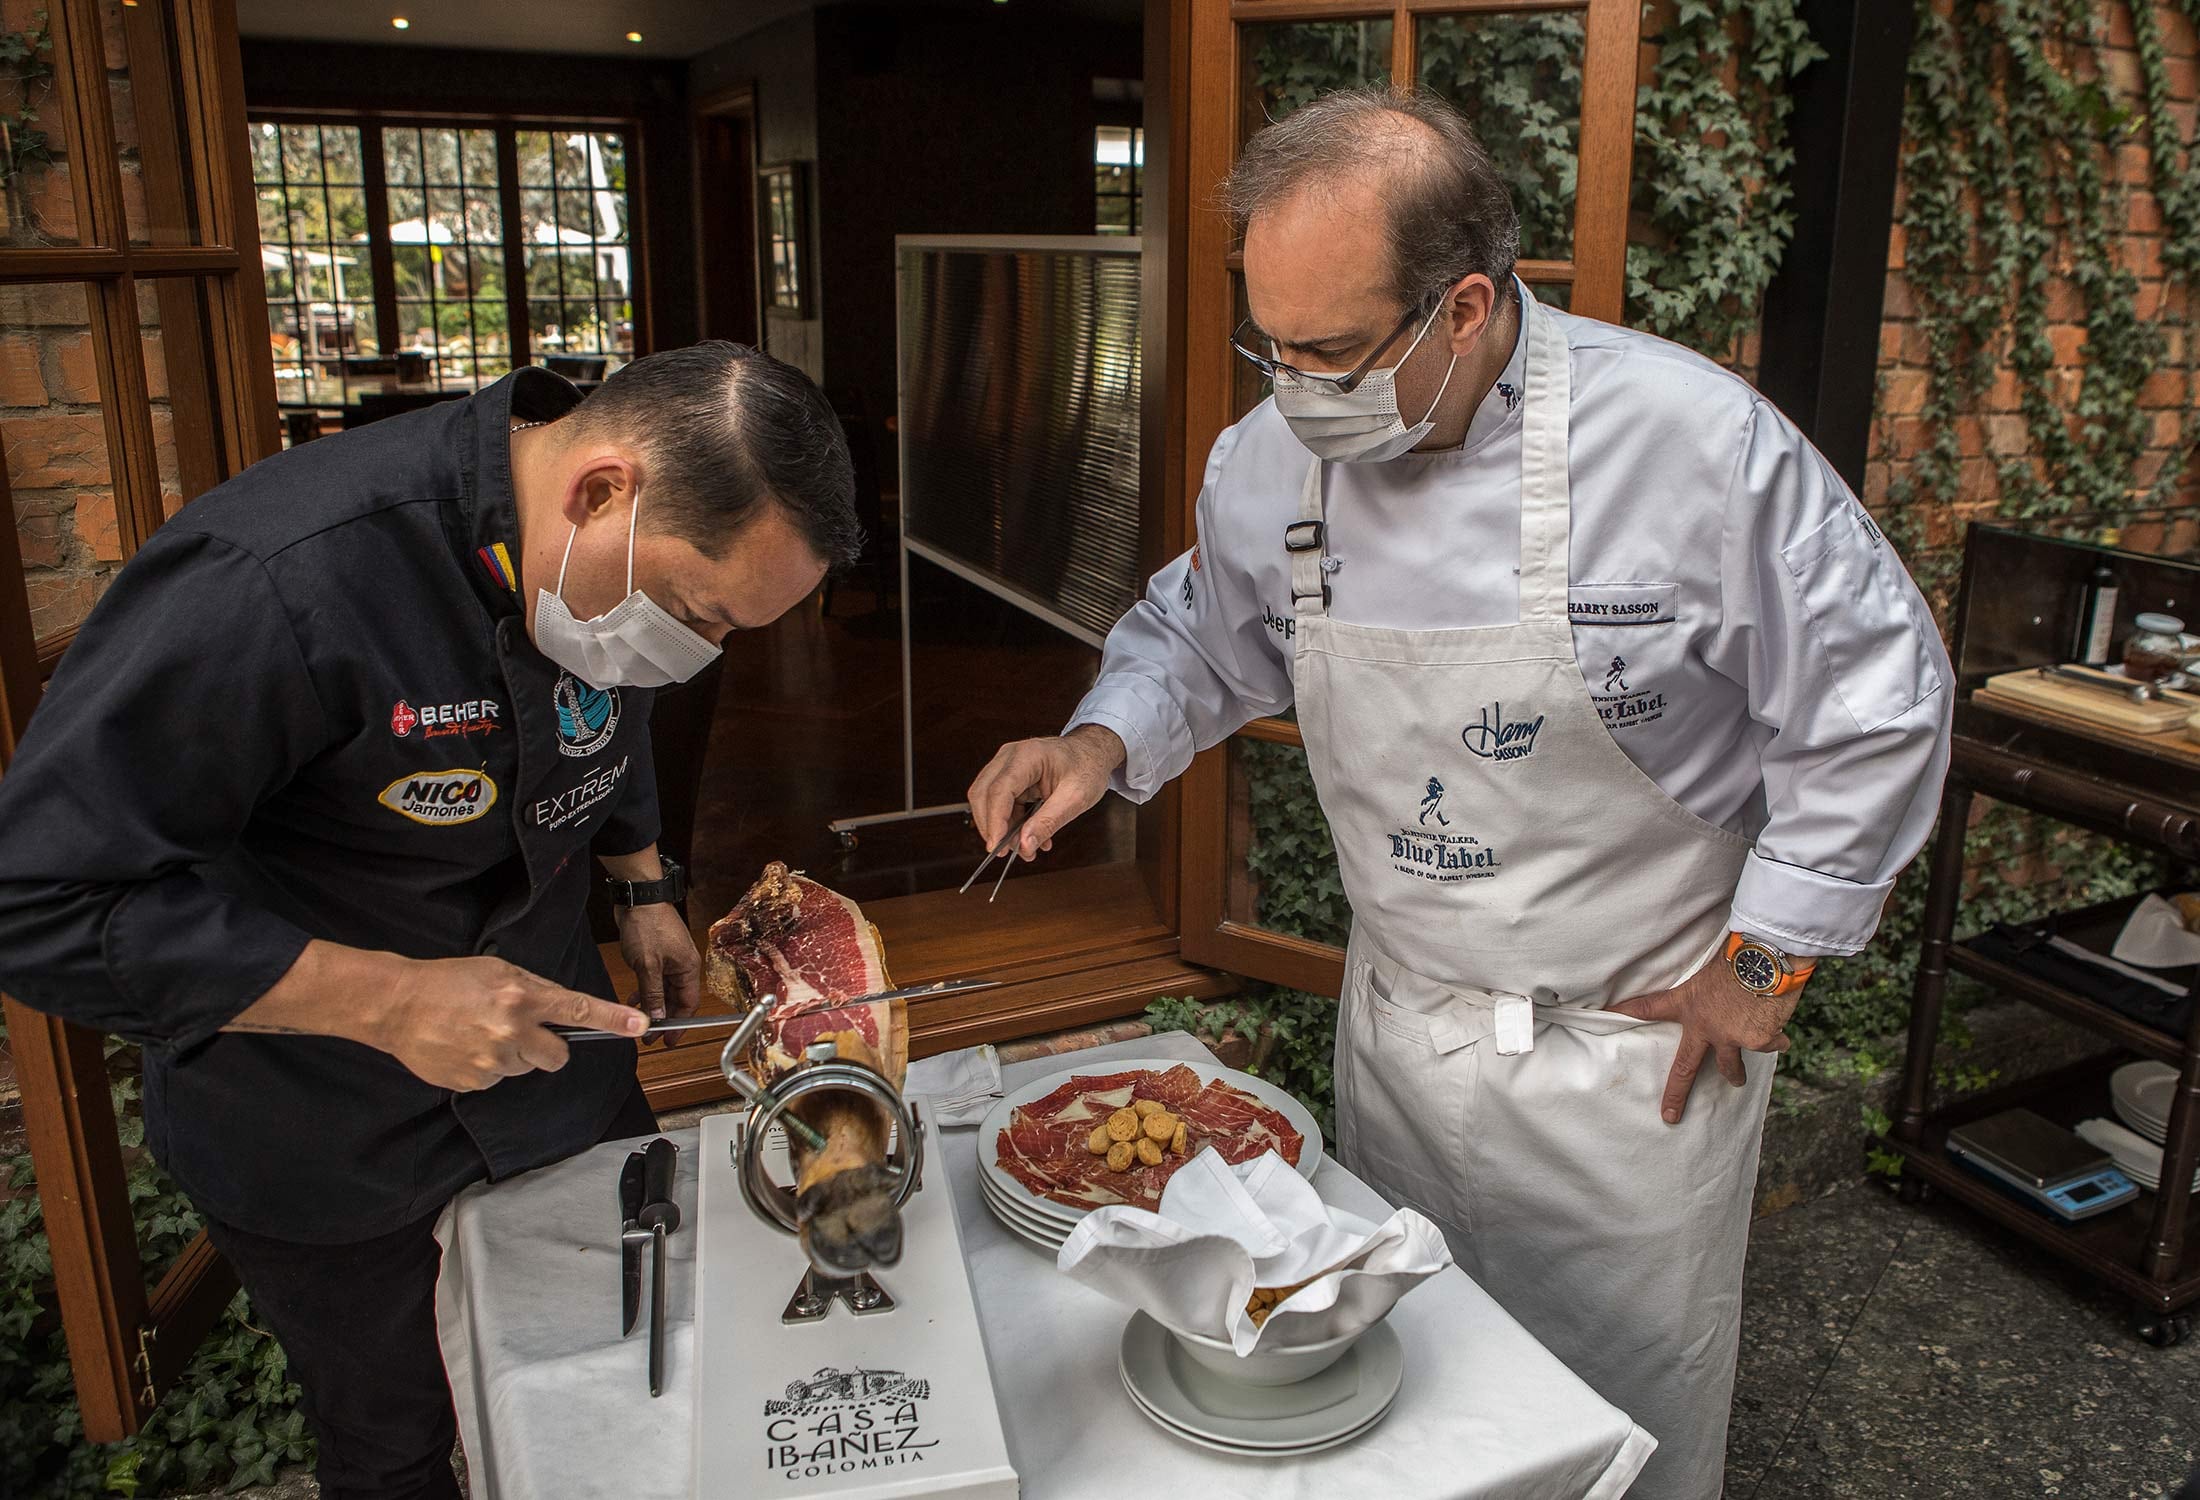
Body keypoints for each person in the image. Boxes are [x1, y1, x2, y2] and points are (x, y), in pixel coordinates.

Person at [968, 89, 1952, 1498]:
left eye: (1329, 351)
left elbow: (1877, 700)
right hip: (1401, 1040)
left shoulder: (1687, 444)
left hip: (1629, 1066)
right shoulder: (1273, 458)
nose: (1291, 385)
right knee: (1399, 1413)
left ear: (1465, 307)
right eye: (1270, 345)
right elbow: (1201, 632)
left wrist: (1766, 965)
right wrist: (1098, 745)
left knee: (1621, 1419)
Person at [0, 342, 860, 1500]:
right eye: (698, 614)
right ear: (600, 491)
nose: (699, 653)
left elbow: (613, 698)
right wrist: (389, 1000)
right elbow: (38, 897)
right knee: (396, 1445)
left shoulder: (598, 584)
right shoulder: (276, 576)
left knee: (630, 1373)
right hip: (323, 1128)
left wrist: (640, 878)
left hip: (558, 1077)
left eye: (730, 633)